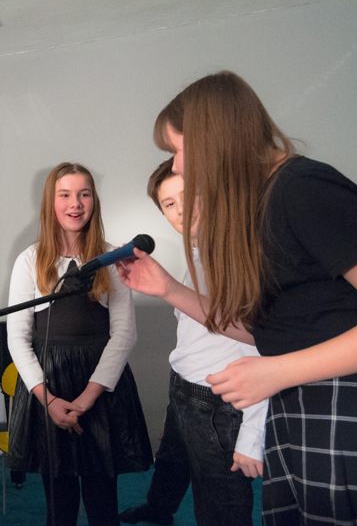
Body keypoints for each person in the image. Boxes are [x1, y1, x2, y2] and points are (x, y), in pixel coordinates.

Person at [116, 71, 357, 525]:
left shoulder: (304, 188)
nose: (177, 167)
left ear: (216, 139)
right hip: (301, 404)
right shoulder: (261, 206)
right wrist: (168, 288)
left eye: (179, 150)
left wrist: (278, 371)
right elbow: (264, 331)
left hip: (352, 407)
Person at [119, 159, 267, 526]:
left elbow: (263, 344)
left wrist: (253, 434)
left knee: (220, 502)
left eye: (189, 196)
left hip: (220, 402)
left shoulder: (239, 255)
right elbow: (193, 327)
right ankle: (158, 511)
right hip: (185, 388)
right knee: (170, 462)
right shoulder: (197, 250)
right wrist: (177, 406)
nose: (181, 210)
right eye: (170, 204)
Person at [6, 163, 153, 526]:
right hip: (50, 384)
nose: (75, 203)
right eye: (65, 195)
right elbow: (18, 337)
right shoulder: (30, 260)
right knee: (59, 505)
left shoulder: (112, 258)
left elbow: (124, 333)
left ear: (94, 201)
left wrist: (88, 398)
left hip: (98, 388)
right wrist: (49, 400)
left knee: (103, 502)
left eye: (84, 194)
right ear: (50, 202)